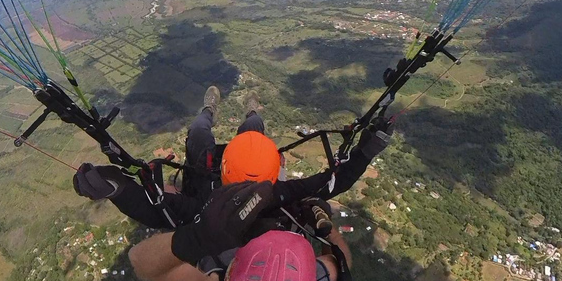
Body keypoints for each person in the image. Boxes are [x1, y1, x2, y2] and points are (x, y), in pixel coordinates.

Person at [73, 86, 394, 229]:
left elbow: (158, 213)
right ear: (274, 171)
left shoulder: (208, 209)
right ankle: (251, 110)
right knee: (253, 126)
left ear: (224, 163)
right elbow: (332, 183)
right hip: (226, 168)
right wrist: (367, 150)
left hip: (202, 173)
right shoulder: (280, 194)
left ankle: (210, 109)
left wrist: (115, 188)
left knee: (199, 130)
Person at [128, 181, 354, 281]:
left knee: (171, 190)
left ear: (229, 280)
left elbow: (139, 260)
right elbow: (340, 259)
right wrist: (322, 223)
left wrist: (197, 237)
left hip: (213, 244)